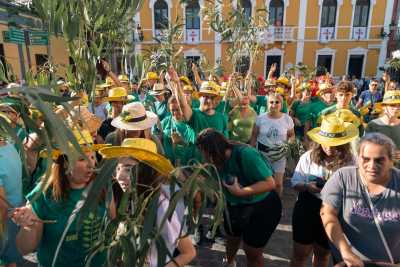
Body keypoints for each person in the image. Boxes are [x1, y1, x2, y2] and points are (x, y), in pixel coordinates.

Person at [11, 128, 115, 267]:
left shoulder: (102, 184)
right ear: (65, 162)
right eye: (82, 159)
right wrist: (28, 226)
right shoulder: (44, 194)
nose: (91, 164)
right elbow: (24, 248)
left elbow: (112, 219)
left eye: (92, 157)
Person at [99, 138, 196, 267]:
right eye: (118, 169)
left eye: (128, 169)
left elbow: (189, 252)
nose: (119, 176)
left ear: (145, 171)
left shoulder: (160, 205)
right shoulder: (127, 199)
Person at [196, 128, 281, 267]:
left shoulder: (246, 155)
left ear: (214, 150)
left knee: (252, 251)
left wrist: (240, 192)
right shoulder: (214, 161)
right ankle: (230, 262)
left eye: (205, 153)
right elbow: (214, 183)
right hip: (234, 207)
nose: (204, 157)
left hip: (263, 206)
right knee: (232, 238)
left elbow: (270, 183)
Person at [320, 133, 400, 265]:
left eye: (379, 160)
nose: (372, 165)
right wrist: (345, 252)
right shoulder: (343, 178)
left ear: (392, 161)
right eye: (365, 159)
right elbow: (327, 214)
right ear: (358, 158)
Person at [290, 116, 358, 267]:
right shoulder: (308, 157)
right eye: (325, 143)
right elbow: (294, 182)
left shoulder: (352, 161)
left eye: (334, 144)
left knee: (322, 255)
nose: (329, 147)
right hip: (308, 206)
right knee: (300, 254)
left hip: (335, 210)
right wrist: (307, 186)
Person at [251, 92, 295, 195]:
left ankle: (277, 206)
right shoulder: (260, 118)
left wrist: (288, 146)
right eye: (271, 102)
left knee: (278, 184)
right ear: (267, 104)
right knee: (263, 182)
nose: (274, 105)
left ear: (281, 104)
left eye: (277, 102)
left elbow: (292, 135)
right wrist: (252, 151)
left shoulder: (287, 119)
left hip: (279, 155)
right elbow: (254, 135)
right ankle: (263, 204)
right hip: (262, 154)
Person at [0, 137, 23, 267]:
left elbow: (2, 205)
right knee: (11, 259)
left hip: (4, 220)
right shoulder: (9, 146)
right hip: (15, 212)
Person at [161, 96, 196, 166]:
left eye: (177, 109)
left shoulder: (191, 124)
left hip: (187, 166)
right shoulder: (166, 122)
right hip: (168, 165)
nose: (175, 113)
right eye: (172, 110)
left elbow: (194, 148)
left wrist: (182, 142)